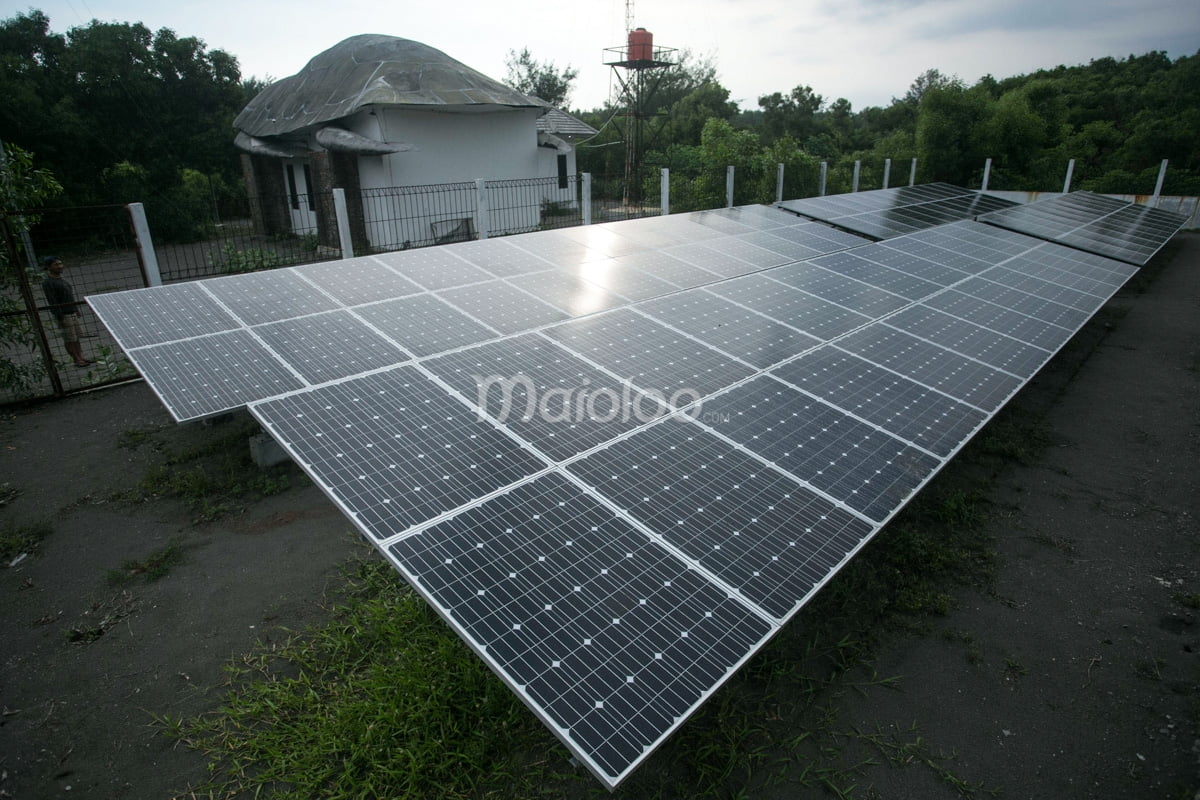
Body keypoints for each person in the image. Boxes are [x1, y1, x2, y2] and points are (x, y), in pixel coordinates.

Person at [41, 256, 92, 367]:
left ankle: (81, 357)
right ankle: (76, 359)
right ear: (48, 267)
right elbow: (52, 301)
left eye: (60, 263)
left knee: (76, 337)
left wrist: (76, 309)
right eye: (56, 264)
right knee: (69, 339)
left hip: (71, 311)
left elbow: (69, 296)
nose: (60, 266)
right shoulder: (48, 282)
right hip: (64, 314)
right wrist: (60, 317)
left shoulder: (61, 279)